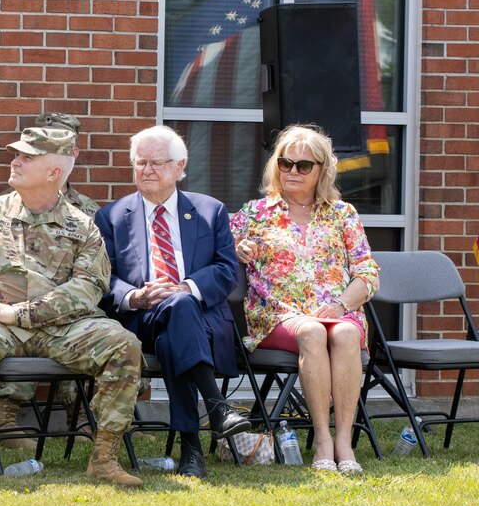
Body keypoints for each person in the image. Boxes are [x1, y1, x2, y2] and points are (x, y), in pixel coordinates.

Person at [0, 127, 143, 485]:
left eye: (27, 157)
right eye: (15, 154)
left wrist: (22, 313)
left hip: (63, 328)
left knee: (123, 342)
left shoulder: (83, 227)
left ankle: (104, 457)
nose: (15, 161)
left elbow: (86, 289)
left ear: (54, 173)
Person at [95, 125, 249, 479]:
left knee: (174, 332)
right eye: (140, 163)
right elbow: (103, 279)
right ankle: (217, 408)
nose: (147, 170)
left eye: (156, 163)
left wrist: (187, 288)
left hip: (201, 318)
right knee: (172, 319)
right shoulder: (111, 217)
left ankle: (191, 449)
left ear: (180, 167)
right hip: (141, 320)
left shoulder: (211, 211)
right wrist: (135, 296)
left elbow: (227, 271)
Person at [230, 124, 379, 474]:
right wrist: (236, 249)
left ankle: (344, 441)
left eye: (303, 165)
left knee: (344, 334)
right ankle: (323, 440)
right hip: (278, 316)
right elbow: (213, 250)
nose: (292, 171)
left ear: (322, 170)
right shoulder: (254, 213)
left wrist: (341, 305)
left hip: (337, 311)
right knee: (312, 331)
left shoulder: (343, 215)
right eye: (285, 163)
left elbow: (368, 273)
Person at [0, 112, 102, 450]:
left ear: (72, 153)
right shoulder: (7, 206)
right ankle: (3, 417)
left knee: (81, 319)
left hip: (65, 308)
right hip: (16, 306)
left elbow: (93, 274)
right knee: (25, 315)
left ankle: (81, 418)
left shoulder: (88, 212)